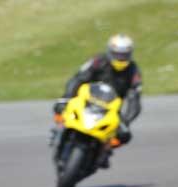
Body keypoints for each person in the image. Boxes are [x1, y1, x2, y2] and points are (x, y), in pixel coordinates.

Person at [53, 34, 142, 166]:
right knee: (61, 109)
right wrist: (66, 97)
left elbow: (135, 99)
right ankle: (61, 132)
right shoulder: (98, 60)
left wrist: (126, 121)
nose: (121, 58)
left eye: (124, 55)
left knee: (124, 136)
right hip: (86, 100)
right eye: (117, 54)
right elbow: (78, 78)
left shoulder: (133, 70)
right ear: (110, 51)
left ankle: (104, 151)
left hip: (110, 108)